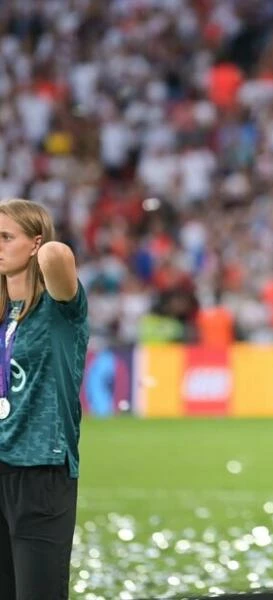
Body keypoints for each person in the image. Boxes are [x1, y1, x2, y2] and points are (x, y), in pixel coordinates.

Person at [0, 199, 89, 599]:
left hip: (40, 471)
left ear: (34, 243)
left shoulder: (60, 306)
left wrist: (45, 245)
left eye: (4, 237)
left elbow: (58, 255)